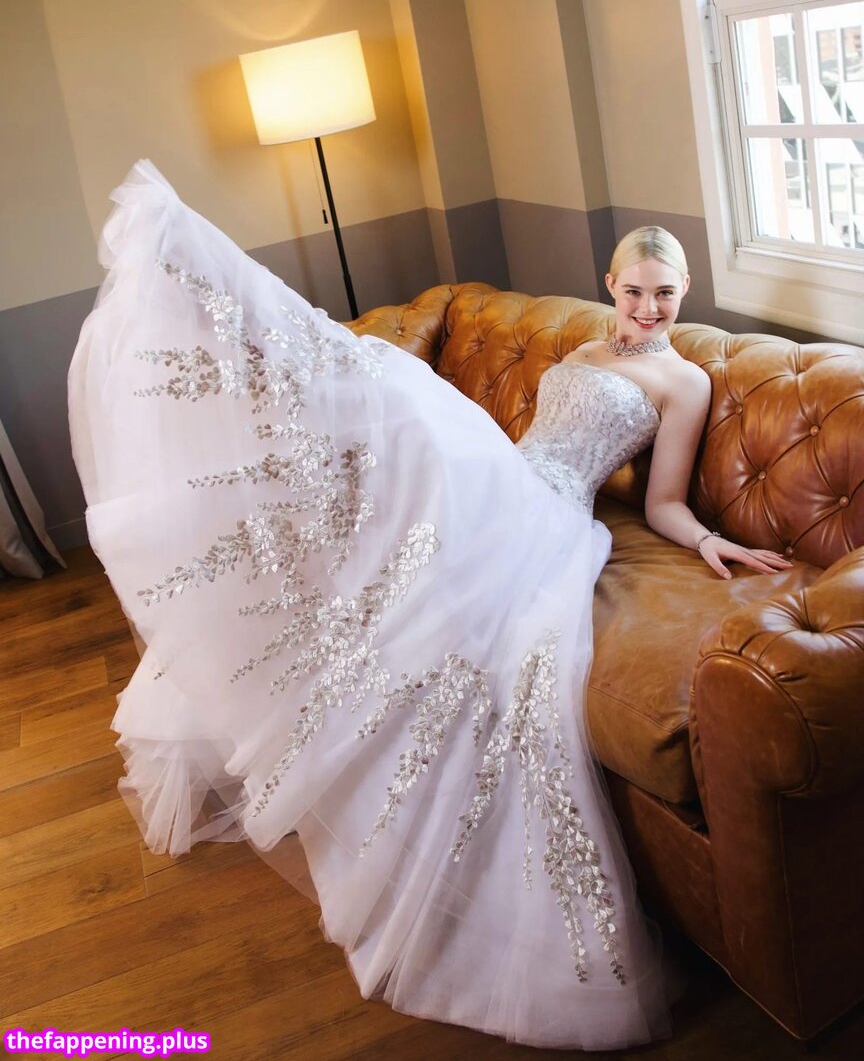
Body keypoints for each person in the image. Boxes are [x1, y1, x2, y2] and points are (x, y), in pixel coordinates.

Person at [68, 162, 791, 1052]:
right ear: (611, 285)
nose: (649, 310)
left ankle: (220, 287)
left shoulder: (684, 383)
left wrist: (710, 541)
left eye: (665, 295)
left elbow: (663, 501)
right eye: (635, 291)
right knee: (368, 465)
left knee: (386, 395)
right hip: (501, 476)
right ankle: (210, 309)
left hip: (548, 511)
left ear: (685, 292)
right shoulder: (582, 351)